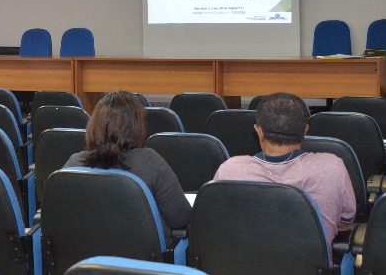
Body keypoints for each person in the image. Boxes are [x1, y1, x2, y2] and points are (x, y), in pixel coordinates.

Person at [213, 92, 355, 243]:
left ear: (259, 131)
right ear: (305, 130)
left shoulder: (229, 170)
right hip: (309, 258)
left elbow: (216, 221)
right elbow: (345, 223)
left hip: (240, 257)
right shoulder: (332, 167)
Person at [63, 90, 192, 232]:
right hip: (143, 246)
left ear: (93, 124)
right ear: (137, 126)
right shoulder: (150, 162)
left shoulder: (73, 164)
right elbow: (181, 218)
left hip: (85, 246)